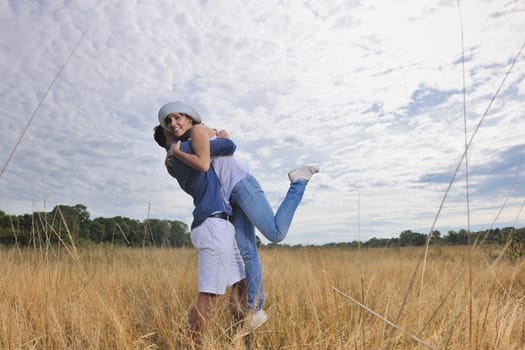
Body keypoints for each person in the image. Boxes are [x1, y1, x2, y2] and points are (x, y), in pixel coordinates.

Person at [158, 101, 319, 331]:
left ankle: (299, 181)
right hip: (229, 198)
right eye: (169, 122)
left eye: (177, 118)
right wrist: (175, 153)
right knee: (247, 252)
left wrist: (208, 138)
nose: (174, 124)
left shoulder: (196, 134)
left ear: (190, 119)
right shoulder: (184, 146)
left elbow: (228, 146)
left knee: (275, 233)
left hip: (240, 184)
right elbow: (215, 149)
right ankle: (254, 310)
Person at [153, 124, 247, 344]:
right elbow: (229, 145)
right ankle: (191, 345)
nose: (179, 128)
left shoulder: (178, 157)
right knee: (208, 295)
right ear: (168, 136)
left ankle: (238, 339)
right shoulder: (184, 149)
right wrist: (213, 132)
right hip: (214, 226)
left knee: (241, 281)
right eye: (172, 127)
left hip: (218, 225)